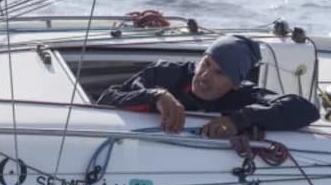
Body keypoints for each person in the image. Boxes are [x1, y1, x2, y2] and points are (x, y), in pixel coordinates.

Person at [95, 36, 319, 138]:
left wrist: (239, 120)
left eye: (220, 73)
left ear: (235, 82)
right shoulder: (164, 74)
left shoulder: (243, 95)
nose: (204, 76)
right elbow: (107, 98)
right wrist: (156, 95)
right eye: (206, 64)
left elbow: (305, 110)